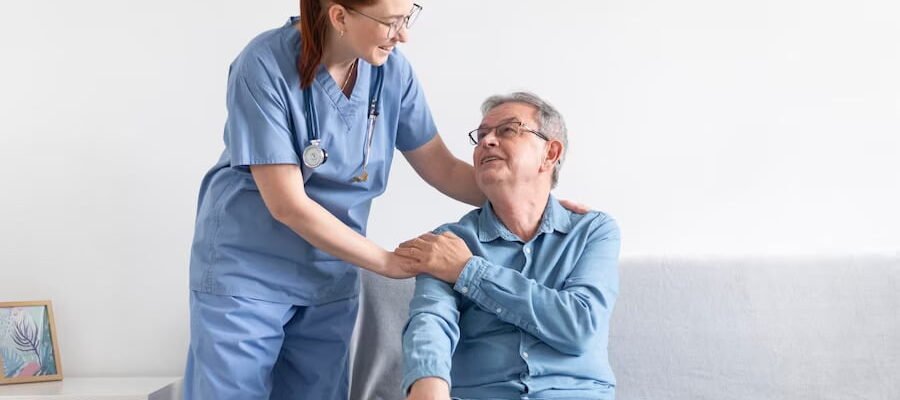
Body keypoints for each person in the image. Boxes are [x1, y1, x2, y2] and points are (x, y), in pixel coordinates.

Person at [399, 92, 621, 400]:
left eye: (507, 130)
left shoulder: (592, 231)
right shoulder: (449, 242)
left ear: (551, 153)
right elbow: (430, 321)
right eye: (480, 136)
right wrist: (428, 384)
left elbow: (579, 325)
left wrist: (469, 271)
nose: (487, 141)